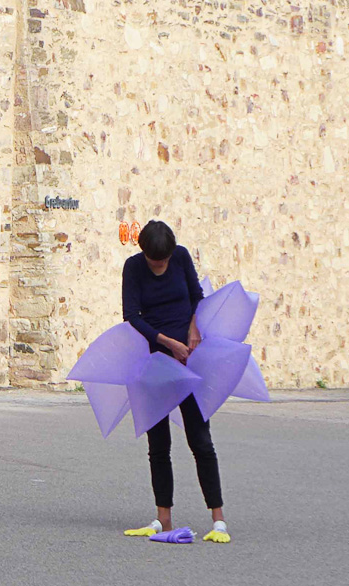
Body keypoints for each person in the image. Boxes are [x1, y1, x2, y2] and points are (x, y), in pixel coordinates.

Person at [121, 220, 231, 543]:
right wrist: (168, 343)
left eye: (165, 260)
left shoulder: (181, 257)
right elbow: (132, 316)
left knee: (201, 440)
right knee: (158, 445)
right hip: (155, 362)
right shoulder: (133, 268)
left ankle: (218, 518)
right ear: (144, 253)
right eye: (156, 261)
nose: (161, 265)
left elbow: (197, 297)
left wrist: (194, 329)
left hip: (189, 359)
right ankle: (163, 517)